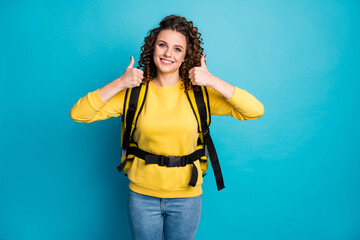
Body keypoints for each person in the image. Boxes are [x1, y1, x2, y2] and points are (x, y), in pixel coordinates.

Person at [70, 14, 264, 240]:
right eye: (162, 45)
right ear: (153, 48)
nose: (168, 54)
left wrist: (211, 80)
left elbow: (255, 110)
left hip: (187, 198)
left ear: (186, 56)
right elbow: (79, 114)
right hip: (142, 197)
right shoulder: (133, 93)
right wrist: (120, 83)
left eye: (177, 49)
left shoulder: (200, 94)